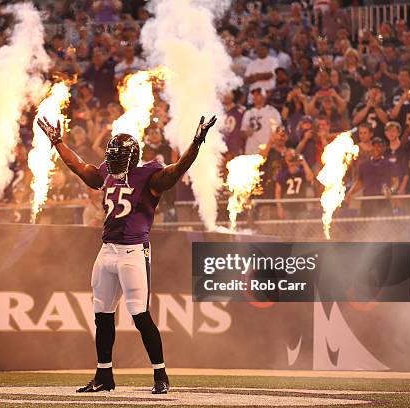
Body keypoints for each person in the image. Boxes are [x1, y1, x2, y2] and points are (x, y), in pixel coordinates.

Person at [37, 114, 217, 394]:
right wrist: (58, 143)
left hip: (133, 251)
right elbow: (79, 167)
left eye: (118, 156)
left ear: (132, 157)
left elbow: (178, 169)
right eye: (112, 155)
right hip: (107, 249)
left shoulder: (150, 176)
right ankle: (103, 375)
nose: (113, 160)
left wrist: (196, 142)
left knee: (140, 315)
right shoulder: (106, 174)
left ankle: (161, 374)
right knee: (102, 314)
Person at [347, 137, 398, 217]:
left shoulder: (389, 164)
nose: (376, 148)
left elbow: (395, 181)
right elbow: (360, 182)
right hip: (367, 201)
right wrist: (350, 193)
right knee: (364, 226)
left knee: (387, 225)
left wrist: (391, 190)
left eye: (380, 146)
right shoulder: (364, 165)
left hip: (383, 201)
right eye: (374, 146)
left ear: (384, 148)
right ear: (371, 147)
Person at [240, 87, 281, 154]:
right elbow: (242, 133)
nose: (255, 97)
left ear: (264, 96)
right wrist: (246, 133)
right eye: (254, 95)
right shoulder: (248, 113)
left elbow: (278, 129)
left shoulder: (272, 111)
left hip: (267, 149)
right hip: (251, 149)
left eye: (258, 94)